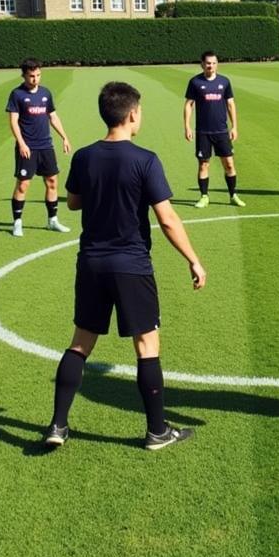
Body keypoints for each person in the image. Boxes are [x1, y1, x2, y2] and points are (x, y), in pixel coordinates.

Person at [43, 81, 207, 450]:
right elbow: (166, 219)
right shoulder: (145, 159)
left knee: (80, 344)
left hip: (91, 264)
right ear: (133, 114)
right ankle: (157, 431)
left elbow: (72, 202)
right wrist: (194, 260)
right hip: (132, 265)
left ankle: (57, 425)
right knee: (147, 346)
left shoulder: (84, 156)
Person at [6, 59, 71, 237]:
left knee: (52, 182)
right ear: (24, 75)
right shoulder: (17, 94)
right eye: (31, 76)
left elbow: (53, 116)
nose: (35, 79)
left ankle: (53, 221)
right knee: (23, 185)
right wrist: (22, 143)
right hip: (27, 147)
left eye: (38, 75)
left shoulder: (45, 93)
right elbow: (13, 121)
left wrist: (64, 137)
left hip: (46, 146)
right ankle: (17, 223)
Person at [184, 50, 244, 208]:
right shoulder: (195, 82)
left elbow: (231, 104)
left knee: (229, 164)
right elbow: (188, 105)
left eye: (214, 63)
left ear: (217, 64)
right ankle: (204, 196)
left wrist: (235, 127)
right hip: (203, 132)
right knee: (203, 164)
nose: (211, 66)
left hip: (222, 132)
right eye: (208, 63)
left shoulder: (224, 82)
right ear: (202, 64)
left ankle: (233, 195)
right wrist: (187, 126)